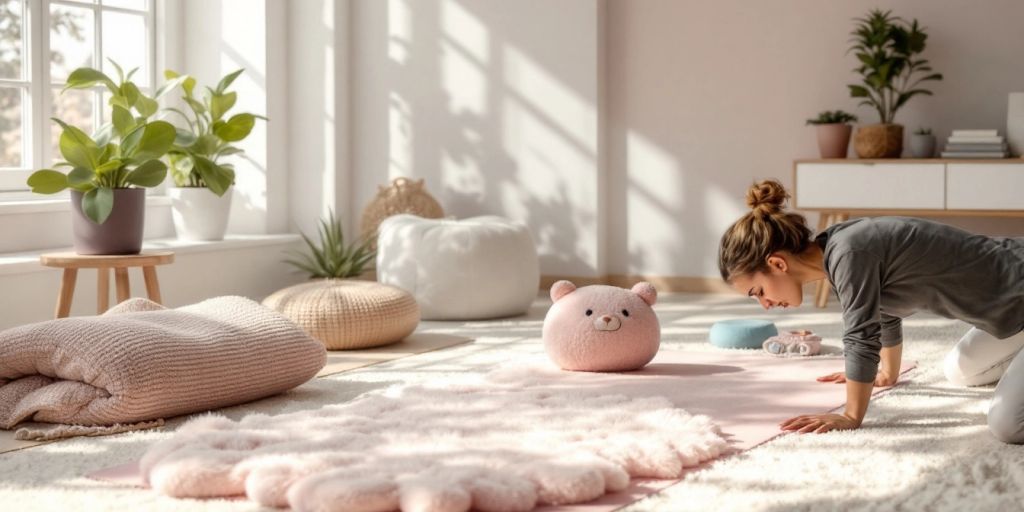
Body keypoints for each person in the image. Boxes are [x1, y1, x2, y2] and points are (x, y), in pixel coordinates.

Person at [716, 179, 1024, 442]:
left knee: (1008, 425)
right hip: (1009, 313)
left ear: (777, 264)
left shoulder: (849, 253)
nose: (765, 305)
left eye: (759, 293)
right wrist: (887, 374)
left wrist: (851, 415)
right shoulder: (836, 257)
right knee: (959, 370)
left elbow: (861, 336)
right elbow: (883, 314)